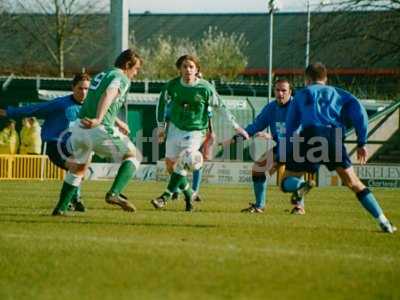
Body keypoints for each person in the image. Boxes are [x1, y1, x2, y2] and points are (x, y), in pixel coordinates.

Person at [281, 62, 396, 233]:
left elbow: (290, 125)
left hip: (309, 134)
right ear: (325, 79)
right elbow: (360, 114)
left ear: (307, 79)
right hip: (333, 136)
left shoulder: (301, 94)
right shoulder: (338, 93)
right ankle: (384, 221)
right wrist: (361, 142)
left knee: (285, 182)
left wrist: (290, 145)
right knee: (354, 183)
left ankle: (300, 185)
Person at [151, 54, 248, 211]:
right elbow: (161, 104)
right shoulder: (172, 85)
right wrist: (161, 127)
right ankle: (190, 195)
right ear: (179, 69)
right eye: (184, 66)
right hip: (175, 129)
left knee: (186, 156)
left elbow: (220, 107)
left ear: (197, 70)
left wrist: (235, 126)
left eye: (191, 67)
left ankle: (164, 197)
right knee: (171, 166)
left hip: (196, 131)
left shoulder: (205, 88)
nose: (188, 70)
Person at [51, 49, 142, 216]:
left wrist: (118, 121)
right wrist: (100, 119)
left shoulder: (103, 74)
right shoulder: (121, 77)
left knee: (78, 169)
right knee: (134, 156)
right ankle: (114, 193)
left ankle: (60, 209)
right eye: (136, 69)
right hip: (97, 128)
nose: (135, 74)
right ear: (128, 65)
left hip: (79, 128)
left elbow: (96, 99)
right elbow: (109, 94)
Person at [0, 72, 91, 211]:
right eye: (80, 88)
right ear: (73, 87)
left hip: (73, 147)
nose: (84, 92)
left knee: (78, 169)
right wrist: (10, 112)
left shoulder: (89, 107)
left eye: (87, 89)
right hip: (55, 145)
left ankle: (75, 199)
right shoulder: (60, 103)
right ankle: (70, 201)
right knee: (76, 168)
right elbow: (35, 109)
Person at [237, 79, 306, 214]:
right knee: (258, 169)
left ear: (290, 92)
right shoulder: (271, 108)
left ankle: (299, 207)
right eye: (277, 90)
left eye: (284, 90)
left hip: (298, 147)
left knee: (291, 177)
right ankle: (259, 206)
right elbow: (257, 125)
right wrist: (242, 135)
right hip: (281, 147)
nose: (280, 93)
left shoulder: (298, 107)